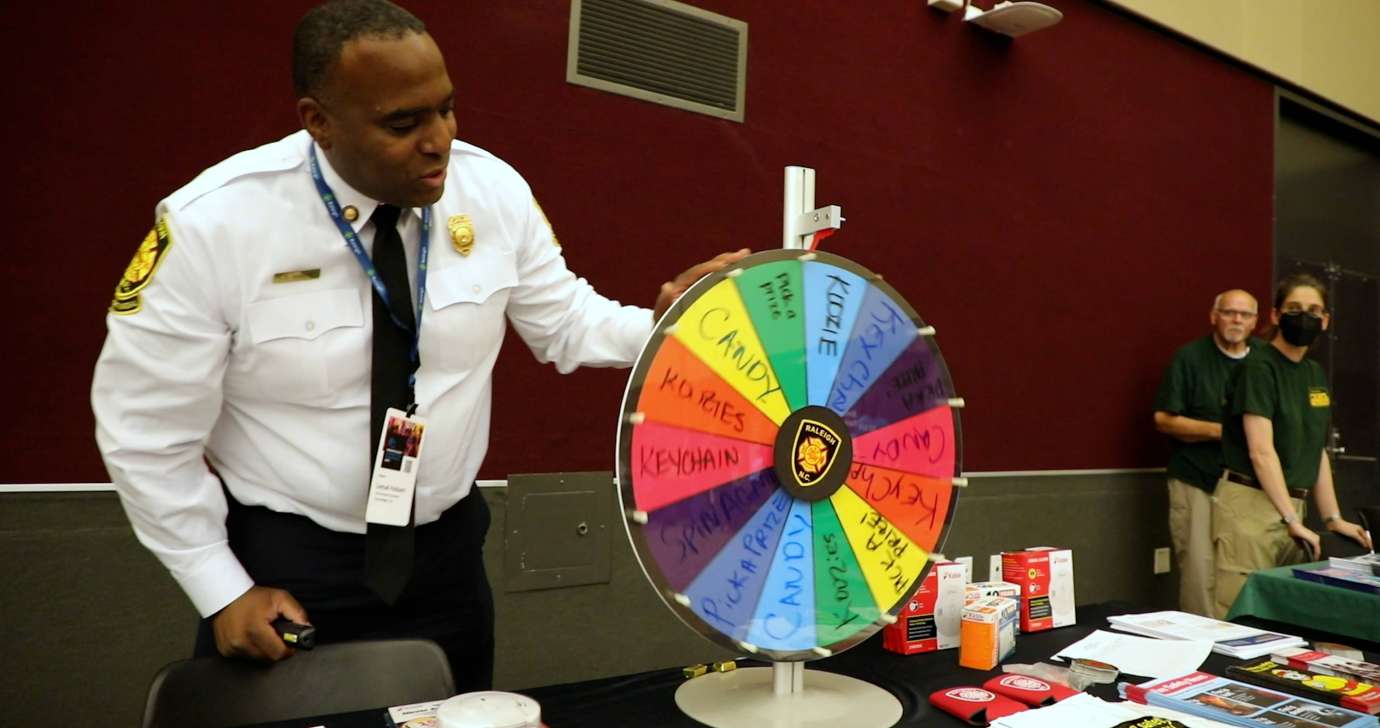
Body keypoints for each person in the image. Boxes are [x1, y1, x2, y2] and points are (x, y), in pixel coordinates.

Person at [90, 0, 747, 692]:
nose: (440, 141)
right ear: (319, 121)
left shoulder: (490, 191)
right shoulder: (215, 226)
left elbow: (566, 323)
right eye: (403, 123)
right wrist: (218, 586)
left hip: (446, 562)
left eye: (447, 109)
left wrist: (671, 323)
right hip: (288, 569)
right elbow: (144, 430)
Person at [1213, 273, 1372, 618]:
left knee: (1281, 618)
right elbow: (1261, 451)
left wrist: (1333, 518)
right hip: (1251, 506)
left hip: (1291, 508)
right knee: (1240, 618)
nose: (1306, 317)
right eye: (1295, 308)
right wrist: (1289, 517)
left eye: (1315, 310)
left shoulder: (1313, 373)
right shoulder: (1258, 366)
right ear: (1275, 315)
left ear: (1326, 320)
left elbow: (1316, 449)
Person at [1152, 289, 1259, 616]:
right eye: (1229, 312)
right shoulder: (1190, 358)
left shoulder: (1265, 361)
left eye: (1244, 314)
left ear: (1256, 322)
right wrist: (1223, 433)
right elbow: (1163, 419)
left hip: (1250, 490)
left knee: (1243, 576)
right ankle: (1200, 658)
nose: (1236, 320)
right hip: (1196, 480)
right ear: (1214, 316)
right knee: (1199, 575)